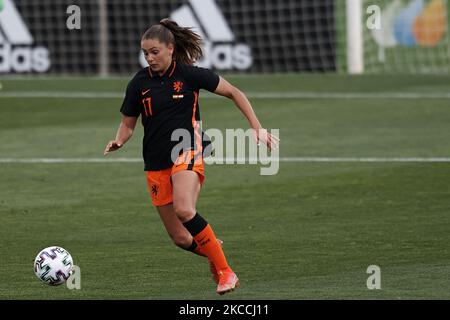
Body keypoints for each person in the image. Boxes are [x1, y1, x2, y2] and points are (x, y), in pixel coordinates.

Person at [104, 18, 278, 295]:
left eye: (154, 52)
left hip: (188, 147)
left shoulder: (189, 75)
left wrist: (257, 129)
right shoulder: (138, 83)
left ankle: (226, 272)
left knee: (184, 209)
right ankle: (212, 248)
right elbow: (128, 123)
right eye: (145, 53)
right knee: (181, 238)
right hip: (155, 161)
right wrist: (119, 141)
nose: (149, 58)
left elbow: (234, 92)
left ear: (170, 48)